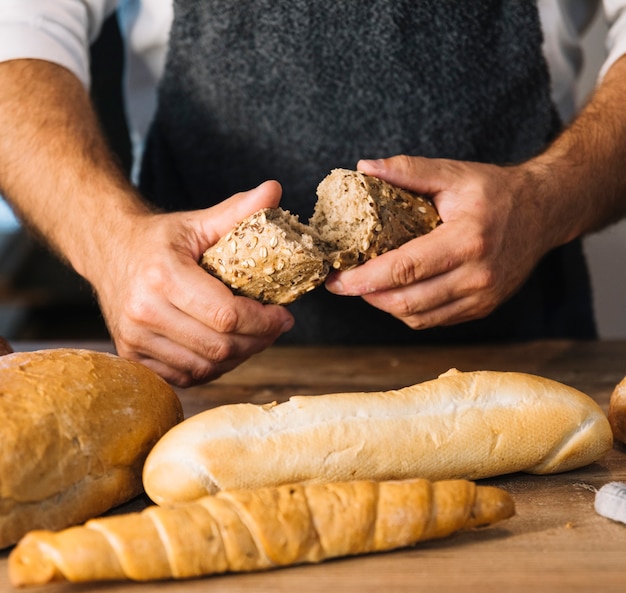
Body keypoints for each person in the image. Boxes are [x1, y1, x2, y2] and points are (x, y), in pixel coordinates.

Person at [0, 1, 625, 387]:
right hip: (202, 368)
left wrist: (543, 199)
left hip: (523, 358)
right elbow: (19, 27)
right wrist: (111, 244)